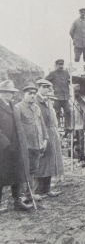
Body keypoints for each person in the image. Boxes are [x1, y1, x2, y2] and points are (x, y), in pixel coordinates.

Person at [0, 80, 32, 212]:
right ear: (1, 92)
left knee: (17, 174)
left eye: (11, 92)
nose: (9, 95)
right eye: (6, 92)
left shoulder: (13, 105)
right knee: (1, 175)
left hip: (16, 145)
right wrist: (6, 144)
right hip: (3, 148)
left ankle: (17, 202)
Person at [16, 84, 48, 203]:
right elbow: (17, 128)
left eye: (34, 94)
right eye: (29, 93)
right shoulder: (18, 108)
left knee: (33, 170)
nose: (32, 96)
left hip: (37, 144)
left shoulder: (36, 108)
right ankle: (22, 195)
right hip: (25, 146)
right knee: (24, 170)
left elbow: (42, 125)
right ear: (23, 95)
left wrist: (45, 139)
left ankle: (30, 193)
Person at [34, 79, 64, 197]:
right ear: (39, 87)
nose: (47, 89)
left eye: (48, 87)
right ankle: (38, 190)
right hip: (43, 133)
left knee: (50, 162)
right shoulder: (36, 100)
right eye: (44, 87)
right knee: (42, 162)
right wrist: (41, 137)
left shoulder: (46, 101)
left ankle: (46, 189)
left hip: (51, 133)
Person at [45, 59, 71, 132]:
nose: (61, 66)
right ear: (56, 65)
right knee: (57, 112)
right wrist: (50, 88)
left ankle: (67, 125)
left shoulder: (66, 73)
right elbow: (46, 80)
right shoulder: (53, 73)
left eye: (62, 64)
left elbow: (69, 81)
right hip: (57, 97)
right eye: (59, 64)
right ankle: (58, 125)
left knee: (68, 111)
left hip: (65, 96)